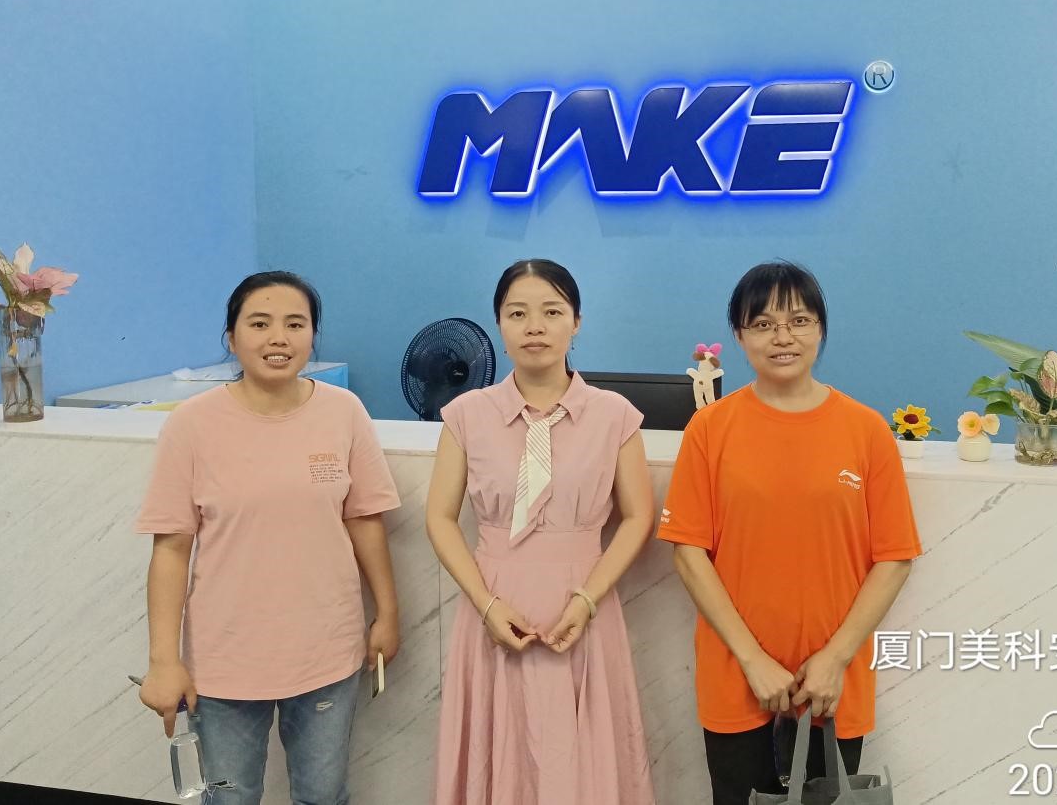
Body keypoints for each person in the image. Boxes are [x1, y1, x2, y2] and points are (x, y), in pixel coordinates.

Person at [658, 261, 921, 805]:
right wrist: (753, 660)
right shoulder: (710, 429)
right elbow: (688, 552)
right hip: (737, 675)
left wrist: (835, 658)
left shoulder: (866, 430)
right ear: (739, 336)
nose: (783, 337)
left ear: (820, 329)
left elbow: (894, 557)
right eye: (763, 324)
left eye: (799, 320)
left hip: (830, 686)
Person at [135, 271, 401, 805]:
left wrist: (388, 615)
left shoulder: (343, 411)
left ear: (312, 336)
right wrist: (164, 660)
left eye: (295, 324)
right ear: (231, 338)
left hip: (327, 650)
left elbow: (365, 521)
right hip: (225, 659)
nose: (279, 337)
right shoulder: (191, 425)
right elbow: (171, 550)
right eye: (259, 323)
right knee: (230, 798)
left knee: (323, 796)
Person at [426, 259, 656, 804]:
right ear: (499, 325)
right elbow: (438, 517)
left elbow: (639, 516)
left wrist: (588, 598)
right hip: (494, 602)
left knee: (580, 754)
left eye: (552, 312)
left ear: (576, 322)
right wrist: (486, 604)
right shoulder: (466, 414)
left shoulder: (614, 415)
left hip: (583, 602)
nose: (535, 327)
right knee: (500, 749)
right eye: (518, 314)